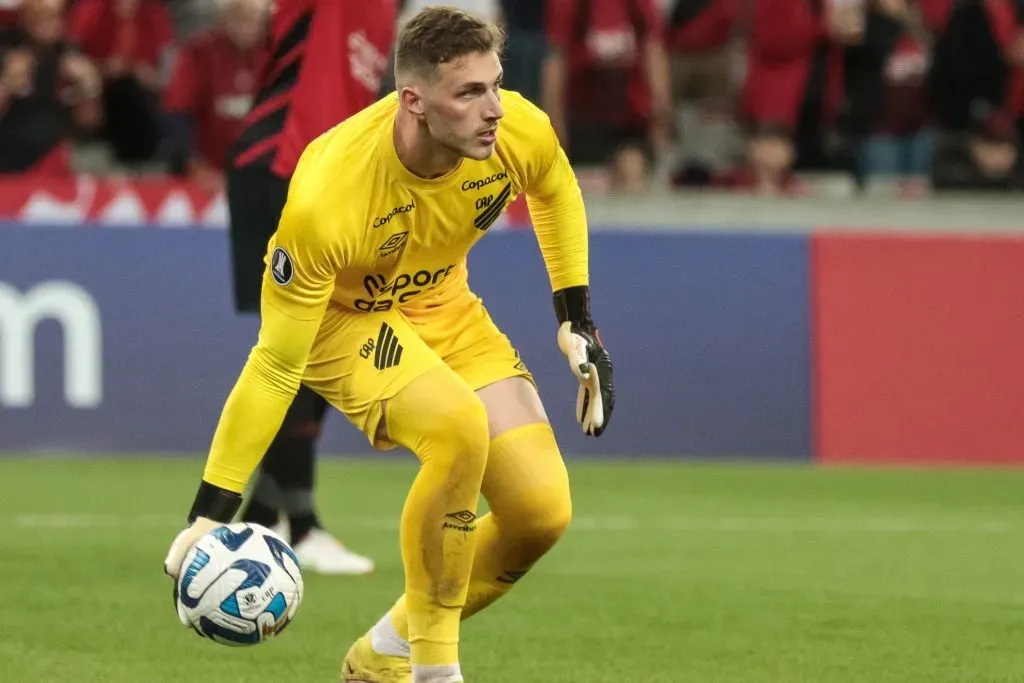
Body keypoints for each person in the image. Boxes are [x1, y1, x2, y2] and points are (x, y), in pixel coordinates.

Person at [164, 6, 615, 683]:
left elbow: (554, 184)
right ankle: (435, 669)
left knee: (539, 511)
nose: (494, 108)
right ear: (413, 101)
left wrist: (576, 316)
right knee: (458, 426)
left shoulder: (514, 126)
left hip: (444, 305)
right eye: (469, 93)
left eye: (495, 83)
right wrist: (208, 512)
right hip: (344, 323)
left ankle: (382, 652)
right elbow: (275, 363)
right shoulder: (328, 195)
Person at [222, 0, 398, 575]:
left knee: (325, 343)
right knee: (303, 347)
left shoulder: (388, 15)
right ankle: (296, 523)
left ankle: (271, 515)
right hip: (278, 166)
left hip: (327, 183)